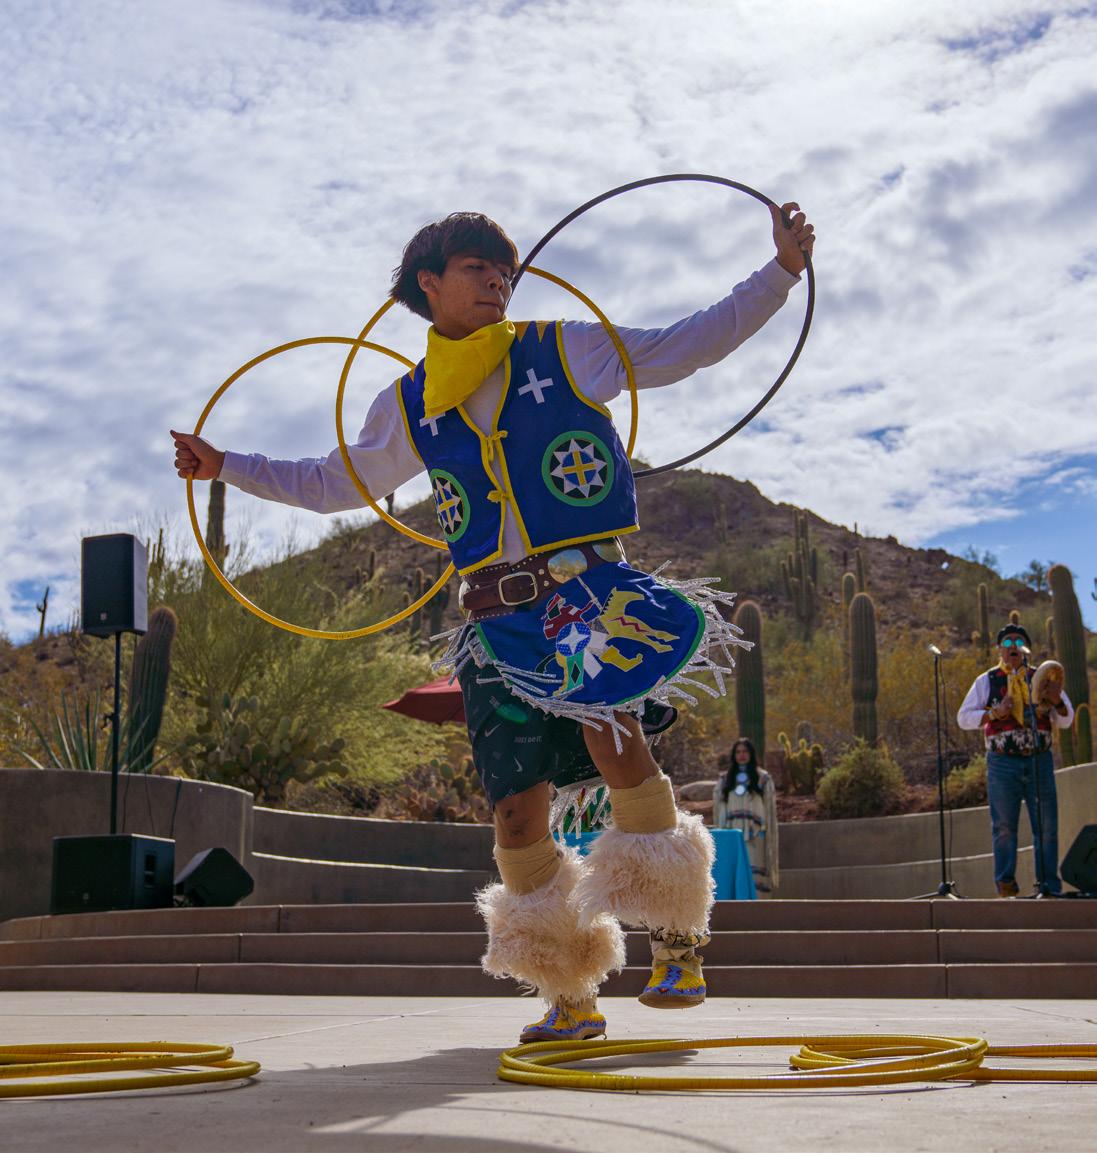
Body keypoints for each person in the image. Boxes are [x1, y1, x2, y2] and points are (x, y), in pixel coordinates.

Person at [172, 203, 814, 1041]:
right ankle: (568, 993)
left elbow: (683, 344)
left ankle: (679, 943)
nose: (496, 281)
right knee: (514, 811)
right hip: (490, 623)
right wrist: (227, 465)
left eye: (504, 270)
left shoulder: (562, 348)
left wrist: (779, 272)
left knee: (615, 743)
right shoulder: (408, 402)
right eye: (476, 267)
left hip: (582, 598)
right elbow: (333, 481)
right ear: (428, 283)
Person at [957, 622, 1073, 896]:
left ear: (1026, 649)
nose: (1013, 648)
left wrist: (1056, 700)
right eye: (1007, 643)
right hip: (1002, 763)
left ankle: (1048, 886)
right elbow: (963, 718)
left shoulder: (1043, 678)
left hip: (1039, 760)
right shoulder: (987, 680)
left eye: (1018, 642)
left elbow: (1066, 720)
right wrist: (993, 714)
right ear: (999, 649)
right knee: (1004, 827)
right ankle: (1006, 887)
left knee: (1046, 827)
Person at [712, 737, 778, 896]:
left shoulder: (763, 778)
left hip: (755, 835)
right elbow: (720, 809)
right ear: (734, 755)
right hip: (733, 836)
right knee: (736, 871)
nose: (741, 755)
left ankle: (758, 906)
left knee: (754, 870)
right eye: (738, 752)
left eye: (745, 751)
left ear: (751, 754)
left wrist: (764, 830)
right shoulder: (725, 780)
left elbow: (769, 808)